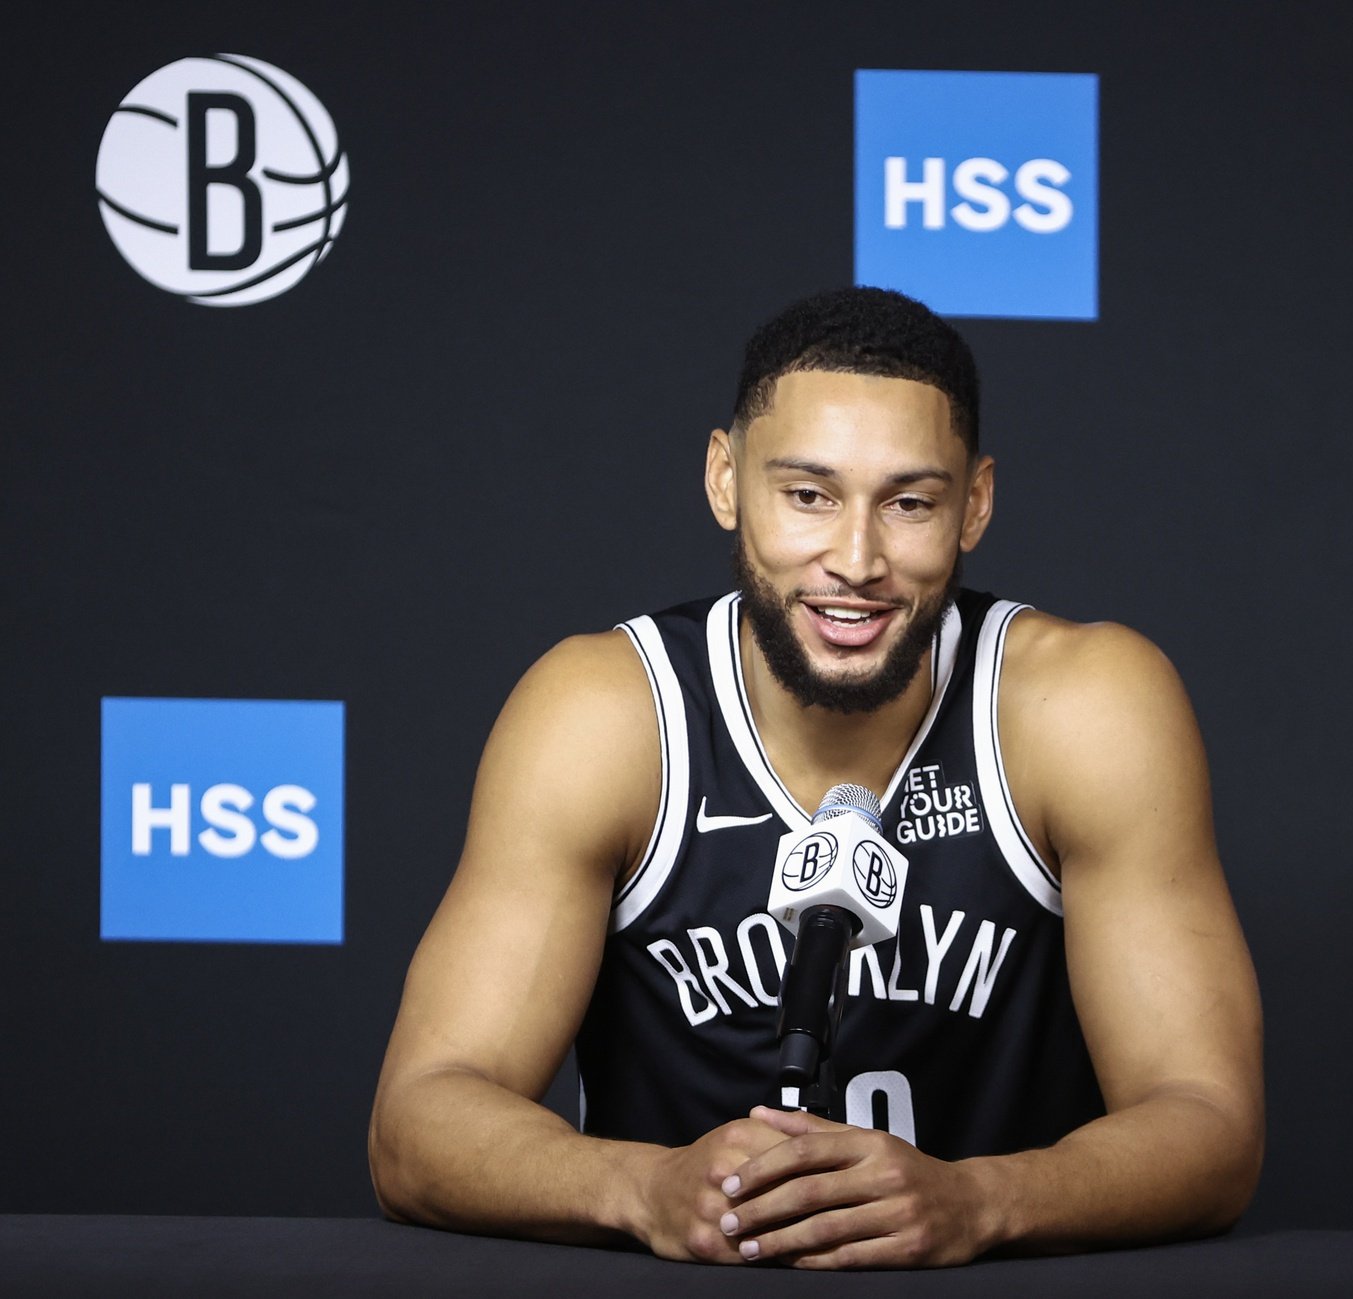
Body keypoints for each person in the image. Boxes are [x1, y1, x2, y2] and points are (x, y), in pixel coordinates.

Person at [368, 288, 1263, 1269]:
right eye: (808, 495)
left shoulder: (1077, 705)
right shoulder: (606, 714)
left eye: (909, 503)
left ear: (974, 504)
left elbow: (1209, 1125)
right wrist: (641, 1188)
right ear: (724, 479)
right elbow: (418, 1121)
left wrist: (976, 1201)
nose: (854, 560)